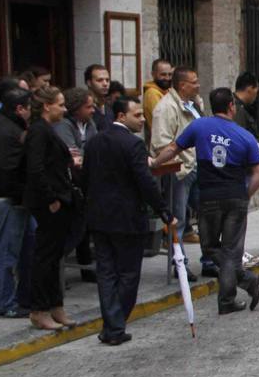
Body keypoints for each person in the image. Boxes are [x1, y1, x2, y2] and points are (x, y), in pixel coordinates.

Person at [154, 87, 259, 314]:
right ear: (231, 107)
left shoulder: (198, 126)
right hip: (235, 196)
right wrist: (245, 195)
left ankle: (230, 298)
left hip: (208, 198)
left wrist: (154, 163)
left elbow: (174, 148)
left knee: (212, 248)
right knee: (231, 252)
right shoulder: (245, 136)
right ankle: (243, 283)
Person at [81, 96, 173, 345]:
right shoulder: (132, 145)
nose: (143, 120)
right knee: (128, 273)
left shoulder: (94, 142)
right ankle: (115, 324)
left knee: (107, 272)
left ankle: (112, 324)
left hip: (100, 218)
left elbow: (85, 178)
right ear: (121, 116)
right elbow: (146, 182)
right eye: (137, 115)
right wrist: (164, 211)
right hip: (126, 219)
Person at [22, 86, 77, 331]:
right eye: (61, 104)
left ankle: (56, 306)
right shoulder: (38, 132)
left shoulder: (47, 131)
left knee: (55, 256)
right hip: (49, 203)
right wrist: (51, 198)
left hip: (60, 199)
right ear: (47, 106)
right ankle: (39, 308)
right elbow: (35, 169)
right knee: (45, 256)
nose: (64, 109)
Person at [150, 66, 204, 246]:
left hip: (198, 166)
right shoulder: (165, 107)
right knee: (178, 219)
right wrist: (181, 160)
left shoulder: (194, 103)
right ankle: (179, 264)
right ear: (182, 85)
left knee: (206, 213)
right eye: (194, 82)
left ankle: (210, 260)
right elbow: (161, 143)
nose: (198, 85)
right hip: (181, 171)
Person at [0, 86, 31, 318]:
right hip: (5, 201)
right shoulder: (9, 133)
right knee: (4, 253)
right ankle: (3, 302)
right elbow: (5, 171)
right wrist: (21, 196)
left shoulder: (1, 125)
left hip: (6, 199)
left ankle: (9, 298)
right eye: (29, 109)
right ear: (19, 109)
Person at [54, 87, 97, 282]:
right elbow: (73, 155)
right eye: (88, 107)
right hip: (70, 182)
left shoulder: (89, 124)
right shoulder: (64, 125)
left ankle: (86, 266)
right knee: (73, 228)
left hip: (87, 180)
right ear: (76, 108)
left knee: (85, 226)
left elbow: (95, 147)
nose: (93, 110)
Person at [142, 58, 173, 142]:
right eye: (163, 74)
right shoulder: (152, 93)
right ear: (153, 74)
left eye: (169, 74)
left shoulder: (166, 91)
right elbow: (163, 120)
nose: (167, 78)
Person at [84, 64, 112, 133]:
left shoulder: (108, 108)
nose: (105, 84)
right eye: (100, 80)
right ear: (89, 83)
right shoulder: (83, 108)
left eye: (107, 80)